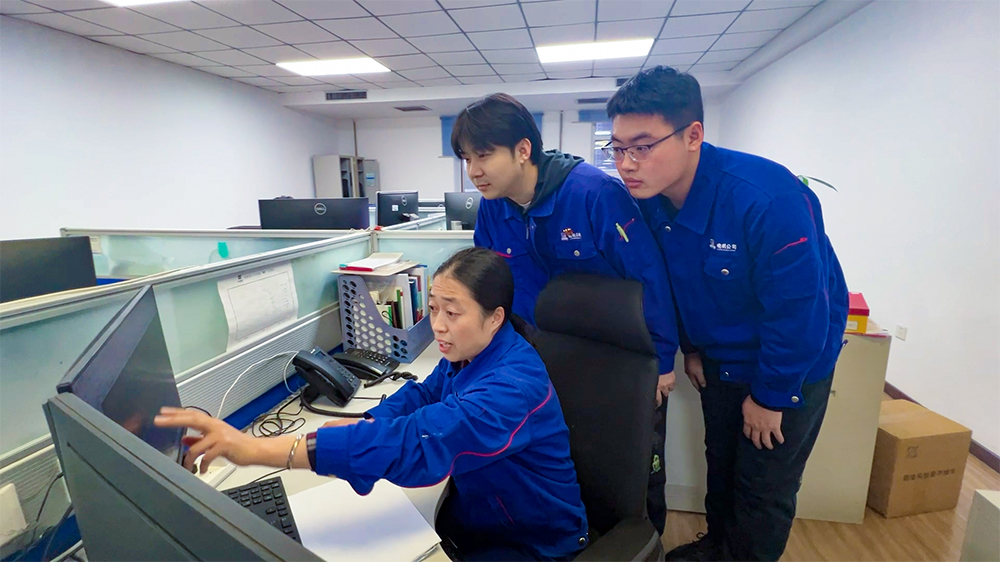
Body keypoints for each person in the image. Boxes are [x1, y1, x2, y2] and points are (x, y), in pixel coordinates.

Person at [155, 247, 589, 561]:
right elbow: (422, 395)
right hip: (482, 514)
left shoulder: (513, 387)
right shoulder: (473, 353)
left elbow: (420, 442)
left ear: (494, 317)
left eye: (453, 313)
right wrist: (365, 422)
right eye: (433, 308)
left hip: (533, 542)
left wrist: (257, 450)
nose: (438, 325)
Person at [605, 67, 849, 562]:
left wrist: (771, 396)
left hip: (787, 368)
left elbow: (801, 311)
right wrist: (692, 348)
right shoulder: (651, 200)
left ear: (693, 135)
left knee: (763, 486)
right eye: (618, 148)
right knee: (721, 466)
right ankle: (717, 548)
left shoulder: (766, 197)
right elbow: (674, 283)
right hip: (720, 359)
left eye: (643, 146)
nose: (627, 163)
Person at [452, 93, 677, 534]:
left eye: (483, 155)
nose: (473, 170)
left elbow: (647, 276)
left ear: (523, 150)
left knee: (634, 469)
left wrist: (664, 359)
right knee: (564, 461)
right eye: (466, 158)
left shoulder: (593, 193)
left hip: (618, 359)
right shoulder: (493, 208)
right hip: (541, 356)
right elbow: (488, 282)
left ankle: (646, 547)